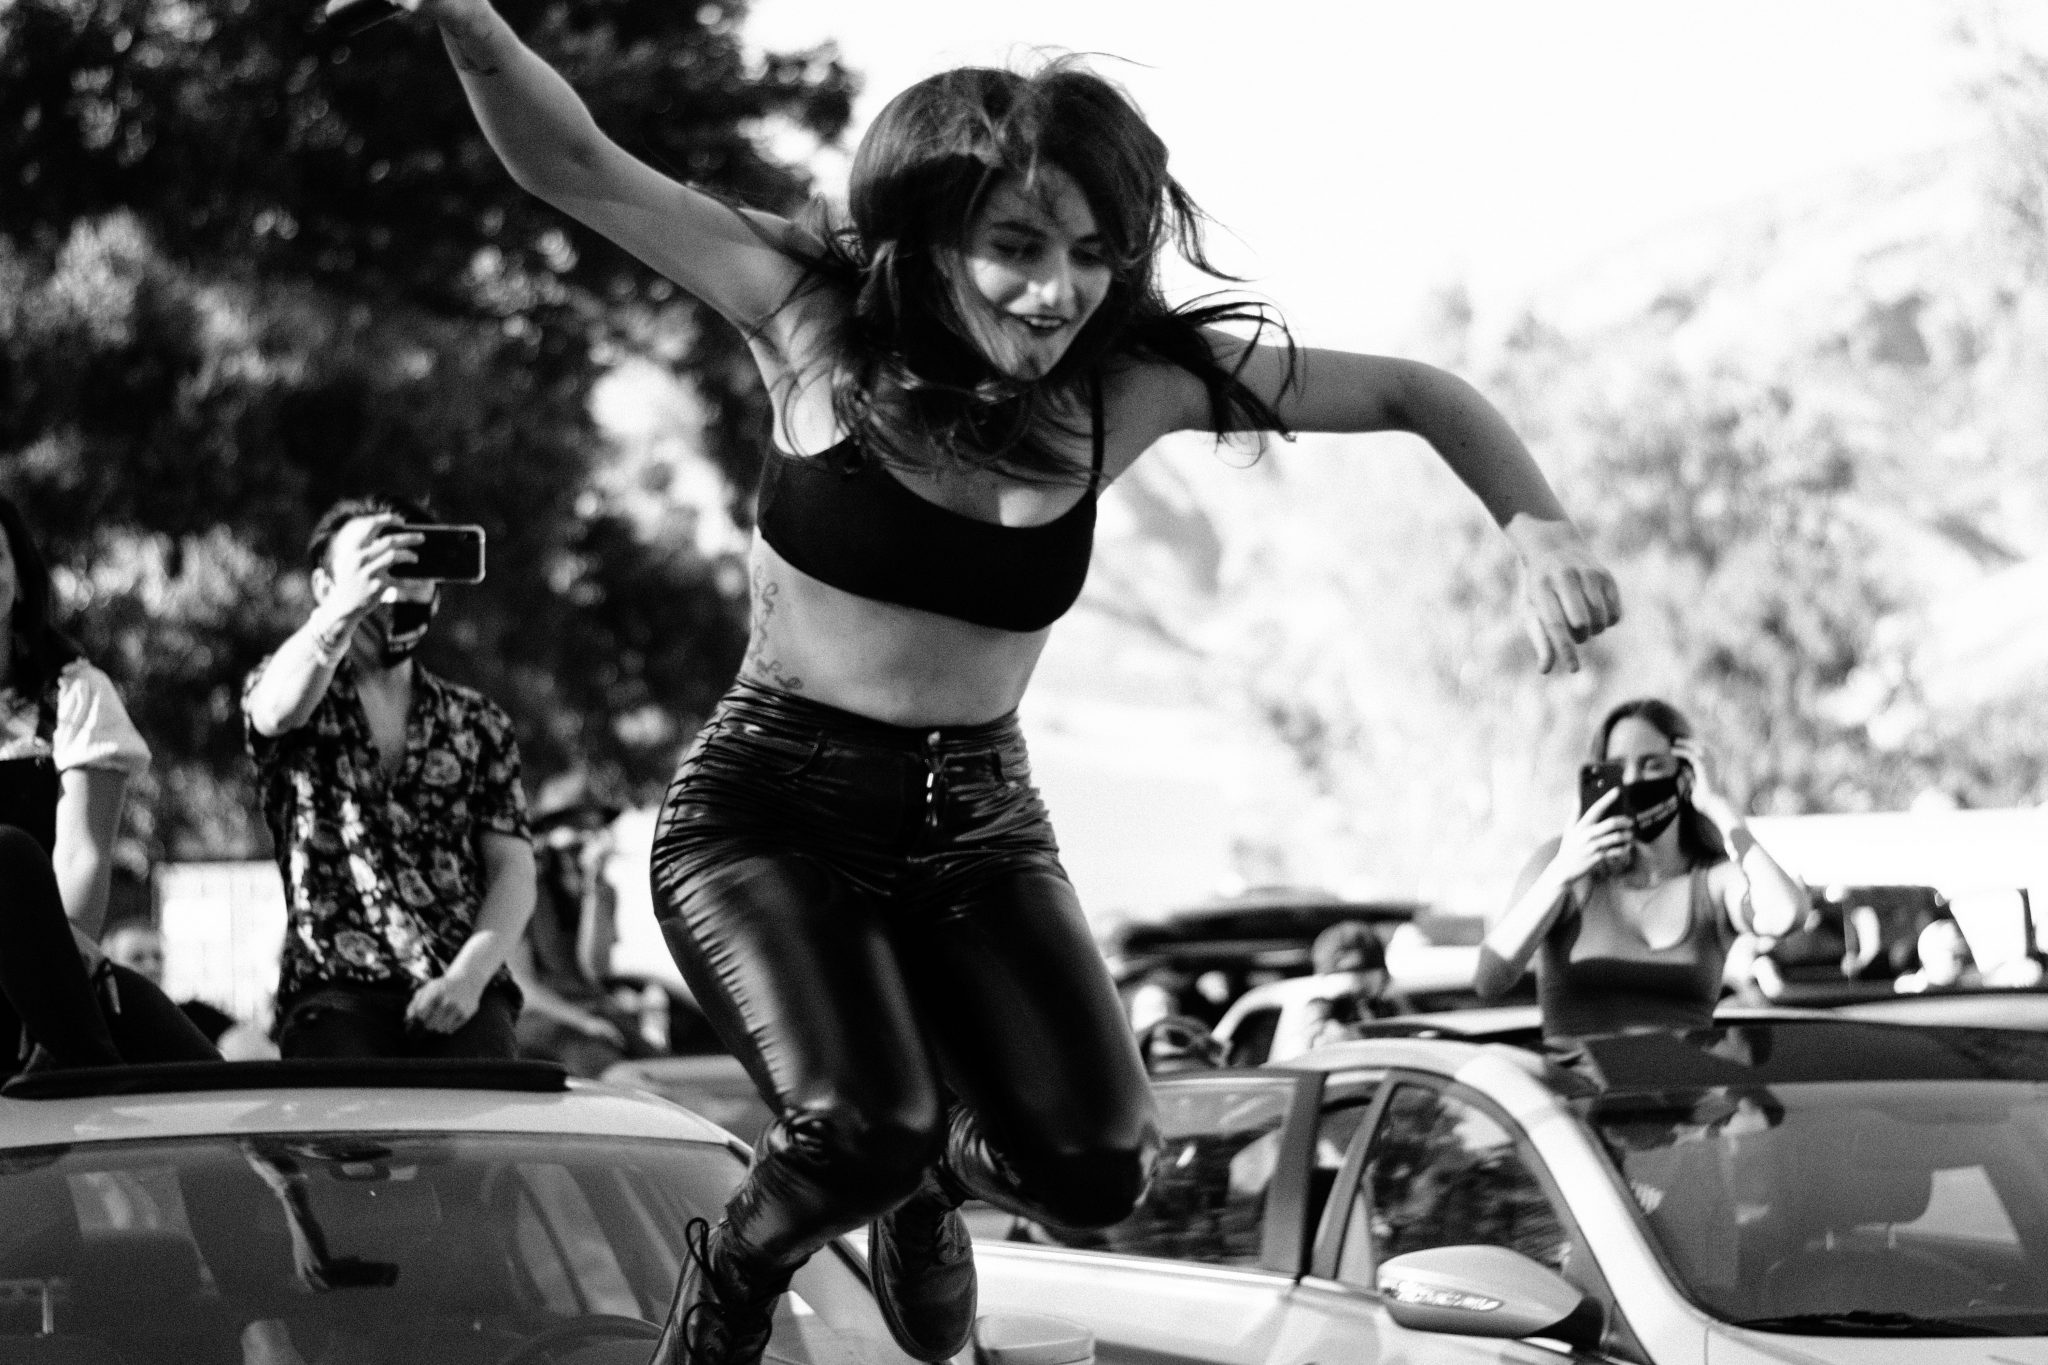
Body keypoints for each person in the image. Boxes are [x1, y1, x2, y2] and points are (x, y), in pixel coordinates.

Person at [391, 7, 1623, 1361]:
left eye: (1093, 255)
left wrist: (1537, 527)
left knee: (1098, 1172)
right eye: (1019, 248)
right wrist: (467, 17)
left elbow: (1411, 392)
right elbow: (571, 163)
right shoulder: (808, 324)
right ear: (931, 242)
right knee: (858, 1125)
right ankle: (736, 1275)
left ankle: (927, 1182)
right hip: (769, 811)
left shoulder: (1133, 389)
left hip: (977, 822)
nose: (1059, 292)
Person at [243, 494, 536, 1061]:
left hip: (459, 986)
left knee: (483, 1100)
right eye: (372, 564)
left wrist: (469, 978)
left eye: (409, 568)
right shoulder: (294, 685)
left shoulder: (478, 721)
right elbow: (275, 711)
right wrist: (341, 614)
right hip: (333, 984)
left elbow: (514, 869)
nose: (393, 589)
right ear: (324, 586)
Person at [0, 493, 218, 1077]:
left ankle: (74, 1063)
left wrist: (55, 995)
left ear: (19, 581)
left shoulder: (72, 695)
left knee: (212, 1090)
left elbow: (83, 857)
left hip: (52, 966)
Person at [1475, 698, 1807, 1044]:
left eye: (1652, 765)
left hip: (1682, 1079)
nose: (1633, 779)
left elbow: (1787, 914)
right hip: (1574, 1080)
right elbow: (1489, 979)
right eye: (1618, 767)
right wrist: (1561, 874)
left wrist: (1719, 807)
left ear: (1686, 776)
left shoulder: (1713, 881)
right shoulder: (1560, 866)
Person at [509, 768, 649, 1077]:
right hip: (544, 1022)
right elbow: (521, 987)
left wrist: (592, 891)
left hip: (593, 1016)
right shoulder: (526, 890)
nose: (587, 838)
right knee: (620, 1075)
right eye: (577, 826)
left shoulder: (600, 891)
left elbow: (594, 969)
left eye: (594, 827)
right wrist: (583, 1022)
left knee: (664, 1069)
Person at [101, 920, 281, 1060]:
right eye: (137, 958)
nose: (152, 966)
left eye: (158, 957)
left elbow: (264, 1058)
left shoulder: (196, 1016)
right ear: (110, 966)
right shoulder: (100, 1027)